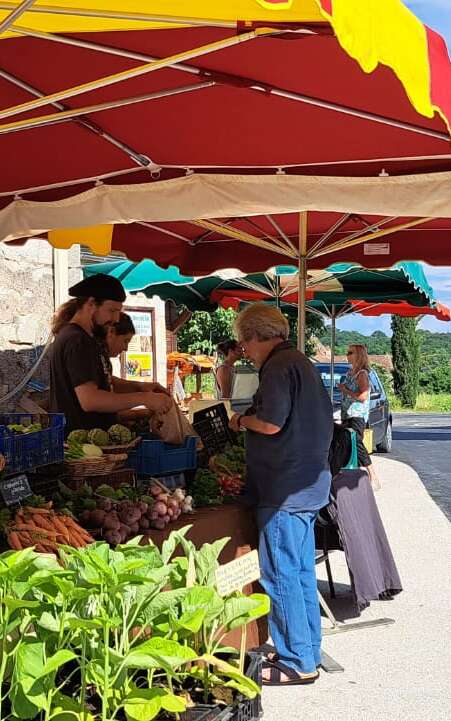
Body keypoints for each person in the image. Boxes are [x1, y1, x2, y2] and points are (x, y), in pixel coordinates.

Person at [229, 304, 333, 687]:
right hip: (307, 485)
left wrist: (240, 420)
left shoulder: (277, 367)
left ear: (257, 335)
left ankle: (295, 662)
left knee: (281, 574)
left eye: (245, 343)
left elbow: (271, 423)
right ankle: (307, 650)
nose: (245, 350)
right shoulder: (302, 363)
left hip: (283, 488)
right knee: (301, 573)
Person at [50, 273, 171, 433]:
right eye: (112, 310)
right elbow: (90, 400)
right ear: (91, 303)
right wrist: (144, 399)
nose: (116, 318)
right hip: (83, 447)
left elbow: (99, 379)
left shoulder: (85, 338)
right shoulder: (77, 340)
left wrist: (139, 387)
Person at [337, 344, 379, 488]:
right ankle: (354, 474)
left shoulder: (362, 374)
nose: (347, 355)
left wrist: (345, 390)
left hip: (357, 415)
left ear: (359, 356)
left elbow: (363, 396)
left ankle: (373, 475)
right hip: (347, 413)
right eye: (347, 352)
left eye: (350, 353)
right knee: (348, 444)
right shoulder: (349, 373)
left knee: (356, 443)